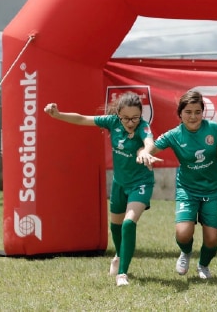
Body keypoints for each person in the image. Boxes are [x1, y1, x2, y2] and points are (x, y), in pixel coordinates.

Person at [44, 92, 155, 287]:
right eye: (126, 118)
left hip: (141, 183)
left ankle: (122, 274)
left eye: (135, 117)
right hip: (119, 183)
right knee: (116, 226)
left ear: (141, 115)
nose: (130, 122)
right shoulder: (112, 122)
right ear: (118, 114)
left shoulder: (143, 127)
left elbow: (149, 142)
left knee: (129, 223)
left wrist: (145, 152)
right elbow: (82, 119)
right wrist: (58, 114)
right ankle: (119, 255)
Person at [137, 90, 217, 280]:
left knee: (212, 239)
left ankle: (203, 265)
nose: (193, 116)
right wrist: (144, 153)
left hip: (213, 189)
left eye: (197, 111)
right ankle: (185, 252)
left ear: (203, 112)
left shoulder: (213, 129)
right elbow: (151, 146)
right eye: (188, 112)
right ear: (180, 114)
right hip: (188, 189)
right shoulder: (174, 135)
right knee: (183, 234)